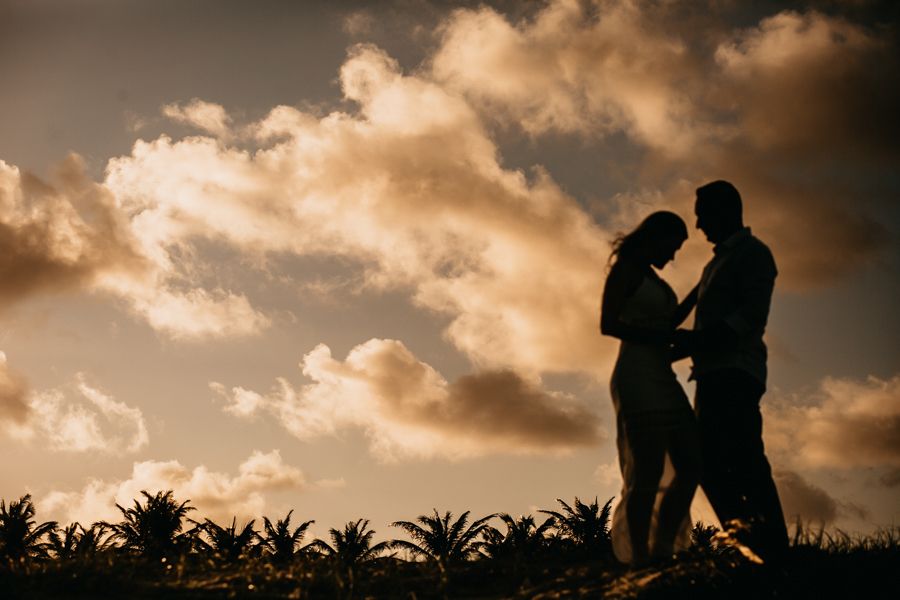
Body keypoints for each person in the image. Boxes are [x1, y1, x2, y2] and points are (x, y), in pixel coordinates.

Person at [674, 180, 788, 562]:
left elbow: (753, 312)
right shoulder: (714, 262)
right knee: (710, 461)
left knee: (741, 460)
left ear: (727, 211)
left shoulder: (753, 253)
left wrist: (699, 342)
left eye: (703, 215)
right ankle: (756, 545)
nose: (699, 225)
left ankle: (770, 550)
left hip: (735, 370)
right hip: (712, 371)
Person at [600, 211, 701, 565]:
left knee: (691, 463)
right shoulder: (624, 270)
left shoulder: (655, 280)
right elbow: (608, 324)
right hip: (636, 376)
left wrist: (698, 292)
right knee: (648, 470)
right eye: (671, 247)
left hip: (663, 374)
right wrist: (666, 337)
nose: (673, 256)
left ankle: (663, 546)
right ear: (654, 238)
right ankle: (641, 556)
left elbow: (668, 323)